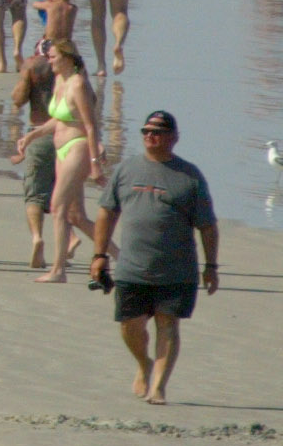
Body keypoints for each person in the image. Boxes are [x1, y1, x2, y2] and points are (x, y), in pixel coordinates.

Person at [88, 110, 218, 406]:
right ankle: (144, 364)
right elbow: (107, 211)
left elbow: (208, 226)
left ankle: (158, 386)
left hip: (176, 269)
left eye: (158, 131)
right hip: (132, 266)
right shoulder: (126, 170)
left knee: (168, 324)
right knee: (130, 326)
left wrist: (211, 266)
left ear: (174, 138)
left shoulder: (190, 176)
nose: (150, 136)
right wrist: (99, 255)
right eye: (146, 131)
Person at [16, 39, 101, 282]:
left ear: (67, 57)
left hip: (77, 147)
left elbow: (90, 125)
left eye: (53, 57)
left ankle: (58, 270)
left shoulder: (78, 84)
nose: (49, 60)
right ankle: (120, 255)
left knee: (57, 207)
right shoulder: (60, 82)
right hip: (59, 147)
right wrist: (32, 135)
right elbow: (59, 120)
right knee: (75, 215)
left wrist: (95, 163)